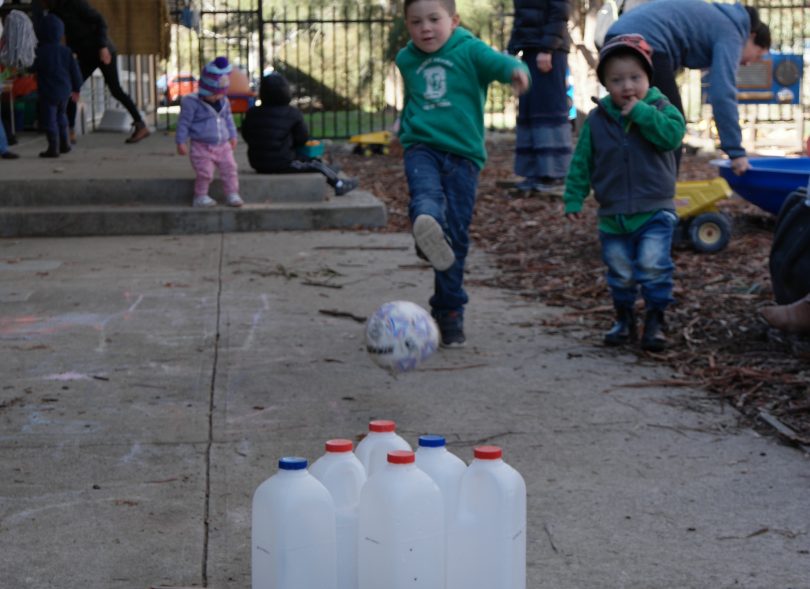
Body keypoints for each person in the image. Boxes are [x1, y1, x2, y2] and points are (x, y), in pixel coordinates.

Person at [396, 0, 529, 347]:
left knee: (455, 239)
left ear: (453, 21)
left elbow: (498, 63)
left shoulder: (469, 50)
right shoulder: (406, 59)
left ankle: (449, 309)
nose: (425, 28)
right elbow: (414, 100)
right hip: (421, 146)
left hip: (463, 156)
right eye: (416, 22)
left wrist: (516, 70)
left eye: (433, 20)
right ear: (407, 25)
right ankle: (427, 224)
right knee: (425, 196)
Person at [563, 34, 686, 352]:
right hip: (613, 213)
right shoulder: (598, 120)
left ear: (648, 77)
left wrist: (642, 114)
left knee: (653, 265)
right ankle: (625, 318)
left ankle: (656, 319)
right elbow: (582, 161)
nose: (627, 86)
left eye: (635, 77)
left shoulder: (661, 108)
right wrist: (574, 196)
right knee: (619, 271)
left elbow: (671, 137)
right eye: (617, 80)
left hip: (654, 209)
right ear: (605, 84)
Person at [606, 0, 770, 175]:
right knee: (672, 124)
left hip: (616, 37)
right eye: (758, 55)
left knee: (636, 118)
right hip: (643, 42)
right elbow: (723, 94)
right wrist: (736, 153)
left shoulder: (718, 18)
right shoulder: (733, 32)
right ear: (751, 36)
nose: (748, 63)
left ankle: (629, 184)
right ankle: (661, 195)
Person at [33, 0, 150, 144]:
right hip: (85, 54)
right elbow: (66, 34)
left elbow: (100, 21)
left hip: (102, 50)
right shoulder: (53, 13)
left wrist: (102, 46)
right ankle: (70, 131)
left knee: (115, 89)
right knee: (72, 88)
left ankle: (140, 124)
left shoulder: (75, 3)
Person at [241, 72, 358, 196]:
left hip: (256, 161)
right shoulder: (292, 113)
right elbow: (302, 138)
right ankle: (338, 184)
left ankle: (328, 169)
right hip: (281, 162)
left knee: (307, 161)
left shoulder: (252, 113)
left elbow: (246, 134)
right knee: (313, 165)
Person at [507, 0, 573, 192]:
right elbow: (521, 18)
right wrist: (511, 50)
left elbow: (559, 14)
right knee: (530, 110)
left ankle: (554, 173)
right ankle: (534, 172)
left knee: (548, 109)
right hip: (529, 49)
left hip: (549, 52)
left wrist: (547, 48)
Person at [175, 56, 243, 209]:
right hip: (201, 146)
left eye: (220, 93)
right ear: (204, 89)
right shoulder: (192, 103)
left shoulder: (223, 101)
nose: (218, 97)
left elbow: (228, 120)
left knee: (230, 169)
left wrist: (233, 135)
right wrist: (181, 141)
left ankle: (232, 193)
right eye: (214, 93)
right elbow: (184, 123)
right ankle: (200, 196)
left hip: (223, 145)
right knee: (205, 172)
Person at [30, 13, 81, 158]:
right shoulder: (67, 51)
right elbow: (75, 72)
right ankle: (65, 144)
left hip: (48, 93)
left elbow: (31, 67)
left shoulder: (40, 53)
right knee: (61, 117)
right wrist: (76, 89)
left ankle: (53, 147)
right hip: (65, 92)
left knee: (50, 120)